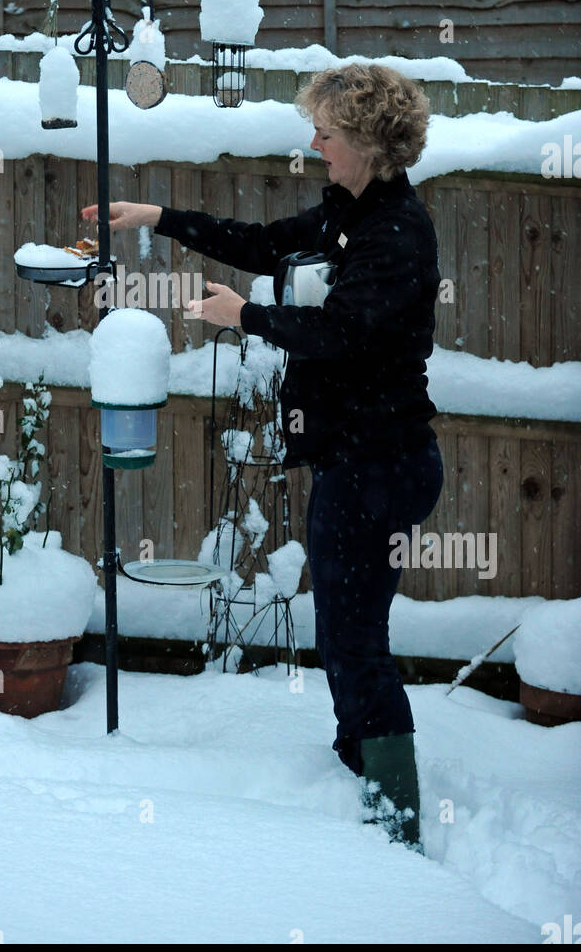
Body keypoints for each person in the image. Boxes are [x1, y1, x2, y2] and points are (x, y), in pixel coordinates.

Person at [80, 62, 444, 850]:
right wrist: (161, 216)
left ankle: (395, 816)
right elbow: (262, 242)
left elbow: (340, 332)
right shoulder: (347, 213)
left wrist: (243, 315)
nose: (313, 145)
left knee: (356, 640)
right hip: (356, 461)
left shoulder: (394, 235)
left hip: (381, 466)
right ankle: (360, 760)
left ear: (371, 146)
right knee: (347, 626)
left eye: (328, 134)